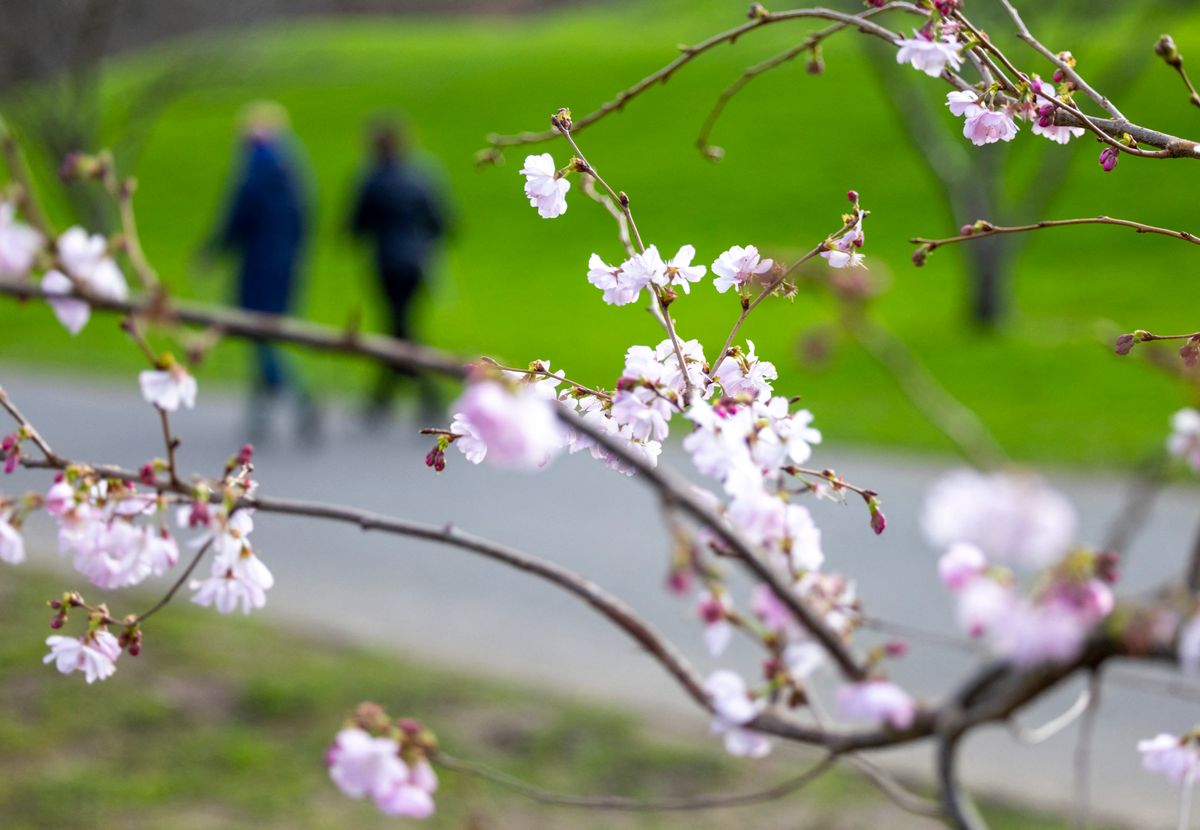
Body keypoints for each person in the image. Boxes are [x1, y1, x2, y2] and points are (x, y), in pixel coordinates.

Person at [207, 101, 319, 442]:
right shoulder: (293, 167)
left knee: (261, 332)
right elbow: (305, 219)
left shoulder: (258, 167)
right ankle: (260, 412)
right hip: (286, 263)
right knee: (265, 332)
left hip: (260, 264)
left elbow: (238, 215)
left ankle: (300, 397)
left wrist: (212, 250)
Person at [348, 116, 448, 424]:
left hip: (387, 263)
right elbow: (442, 221)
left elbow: (356, 225)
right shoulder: (421, 176)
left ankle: (410, 395)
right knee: (400, 324)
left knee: (399, 327)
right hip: (417, 262)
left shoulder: (372, 180)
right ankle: (390, 396)